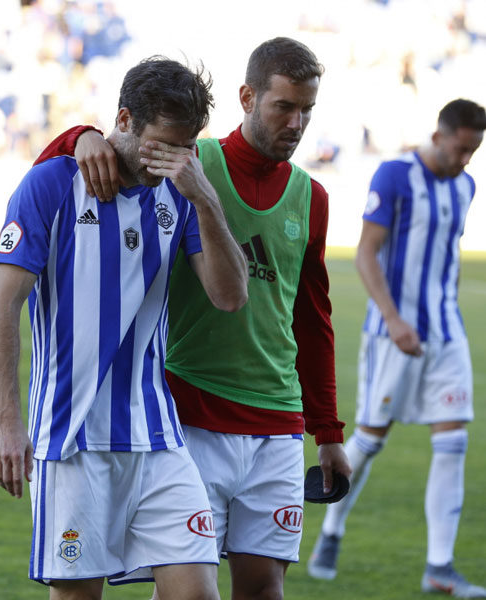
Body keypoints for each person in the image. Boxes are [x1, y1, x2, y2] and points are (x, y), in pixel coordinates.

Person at [34, 37, 351, 600]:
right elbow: (94, 158)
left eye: (307, 110)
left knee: (263, 589)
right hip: (193, 407)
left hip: (277, 416)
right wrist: (78, 135)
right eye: (284, 106)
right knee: (184, 585)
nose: (296, 122)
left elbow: (312, 318)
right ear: (248, 97)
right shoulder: (187, 159)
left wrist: (327, 430)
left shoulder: (312, 196)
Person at [0, 56, 248, 600]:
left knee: (197, 593)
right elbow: (2, 306)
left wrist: (205, 198)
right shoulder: (51, 185)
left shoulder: (182, 190)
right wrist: (6, 422)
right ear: (124, 121)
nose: (171, 159)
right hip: (72, 437)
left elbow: (230, 295)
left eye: (184, 146)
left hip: (157, 436)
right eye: (161, 144)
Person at [308, 99, 486, 597]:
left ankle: (439, 567)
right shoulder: (394, 176)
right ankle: (332, 530)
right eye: (461, 148)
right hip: (391, 334)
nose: (466, 160)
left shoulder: (465, 187)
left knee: (453, 442)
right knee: (369, 440)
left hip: (447, 334)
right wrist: (393, 317)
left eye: (475, 151)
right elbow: (366, 253)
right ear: (440, 134)